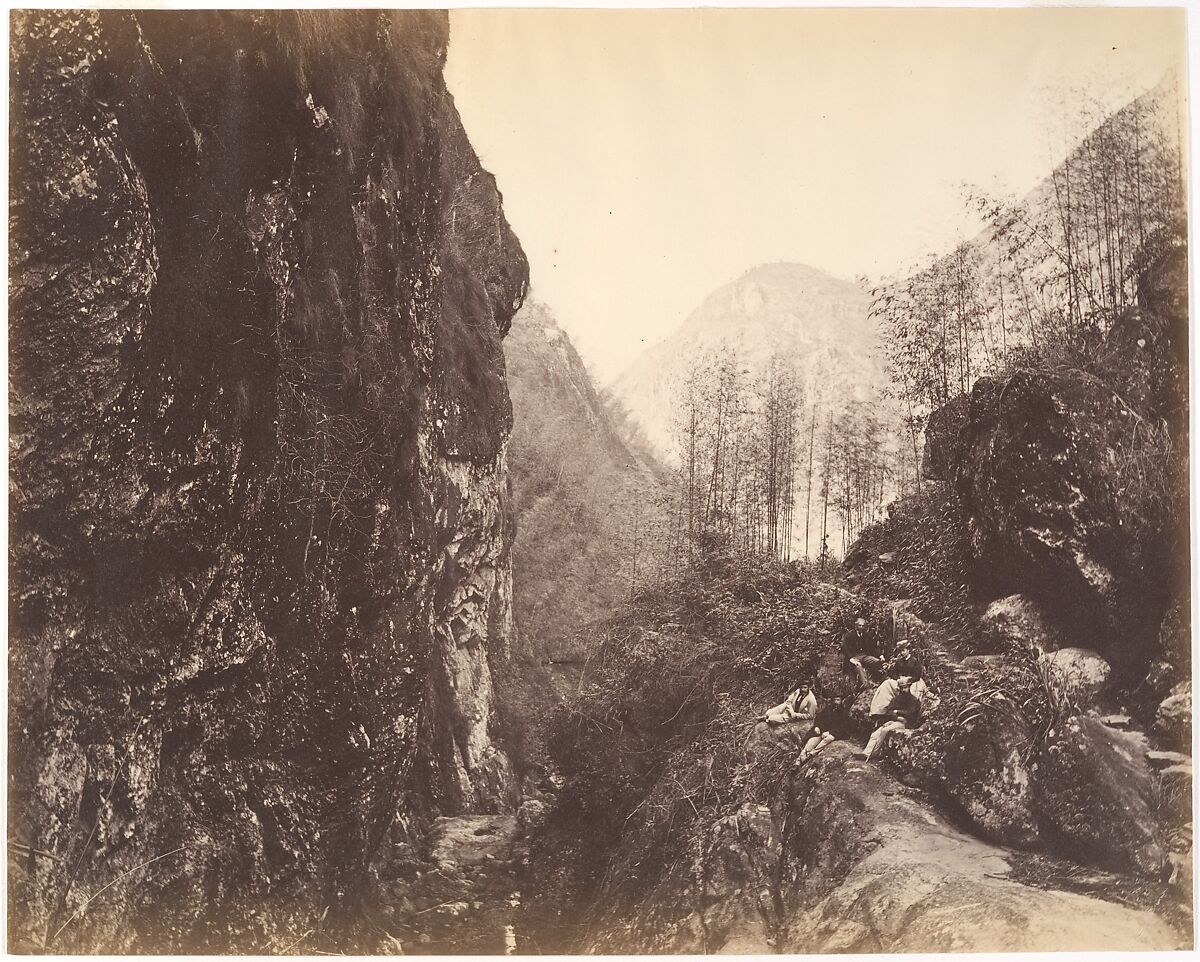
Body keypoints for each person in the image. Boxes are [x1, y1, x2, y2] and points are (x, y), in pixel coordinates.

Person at [858, 671, 927, 761]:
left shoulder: (914, 700)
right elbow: (889, 711)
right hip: (897, 720)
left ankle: (873, 753)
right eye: (901, 688)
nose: (903, 690)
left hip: (906, 723)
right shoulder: (897, 698)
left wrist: (897, 711)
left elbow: (910, 713)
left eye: (905, 687)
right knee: (875, 734)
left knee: (885, 730)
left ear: (909, 687)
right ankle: (865, 753)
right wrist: (896, 717)